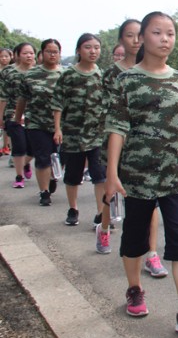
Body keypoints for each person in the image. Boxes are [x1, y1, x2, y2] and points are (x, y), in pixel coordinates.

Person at [105, 11, 178, 334]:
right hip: (137, 176)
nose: (165, 39)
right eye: (157, 33)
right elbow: (117, 128)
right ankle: (135, 289)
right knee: (135, 239)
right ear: (141, 38)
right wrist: (112, 173)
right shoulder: (125, 80)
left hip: (175, 175)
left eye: (170, 34)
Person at [102, 19, 167, 276]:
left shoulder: (158, 71)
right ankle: (105, 228)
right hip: (120, 145)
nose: (135, 40)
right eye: (129, 36)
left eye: (138, 35)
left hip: (147, 150)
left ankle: (151, 253)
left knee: (149, 201)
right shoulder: (114, 75)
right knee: (114, 195)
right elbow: (112, 115)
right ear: (121, 40)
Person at [52, 34, 107, 234]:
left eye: (96, 47)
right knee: (73, 176)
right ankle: (73, 209)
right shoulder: (68, 76)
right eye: (87, 47)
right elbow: (58, 103)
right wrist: (58, 129)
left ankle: (101, 213)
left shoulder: (102, 75)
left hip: (97, 135)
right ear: (78, 51)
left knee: (100, 175)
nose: (93, 51)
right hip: (73, 134)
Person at [14, 39, 62, 206]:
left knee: (59, 157)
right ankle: (44, 192)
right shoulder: (31, 75)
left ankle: (52, 177)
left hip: (62, 125)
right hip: (36, 123)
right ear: (42, 54)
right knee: (42, 157)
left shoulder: (65, 75)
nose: (52, 54)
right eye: (49, 51)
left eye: (55, 51)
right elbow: (23, 98)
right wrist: (16, 118)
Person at [0, 43, 37, 188]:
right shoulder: (8, 72)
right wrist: (1, 117)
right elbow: (3, 96)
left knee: (33, 148)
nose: (28, 56)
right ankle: (19, 176)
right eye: (25, 53)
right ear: (16, 55)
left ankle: (25, 164)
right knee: (19, 146)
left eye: (31, 53)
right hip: (12, 113)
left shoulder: (38, 72)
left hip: (34, 115)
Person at [0, 48, 12, 156]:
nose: (4, 58)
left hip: (7, 101)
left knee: (6, 124)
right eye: (1, 56)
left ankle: (6, 146)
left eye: (6, 56)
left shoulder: (12, 71)